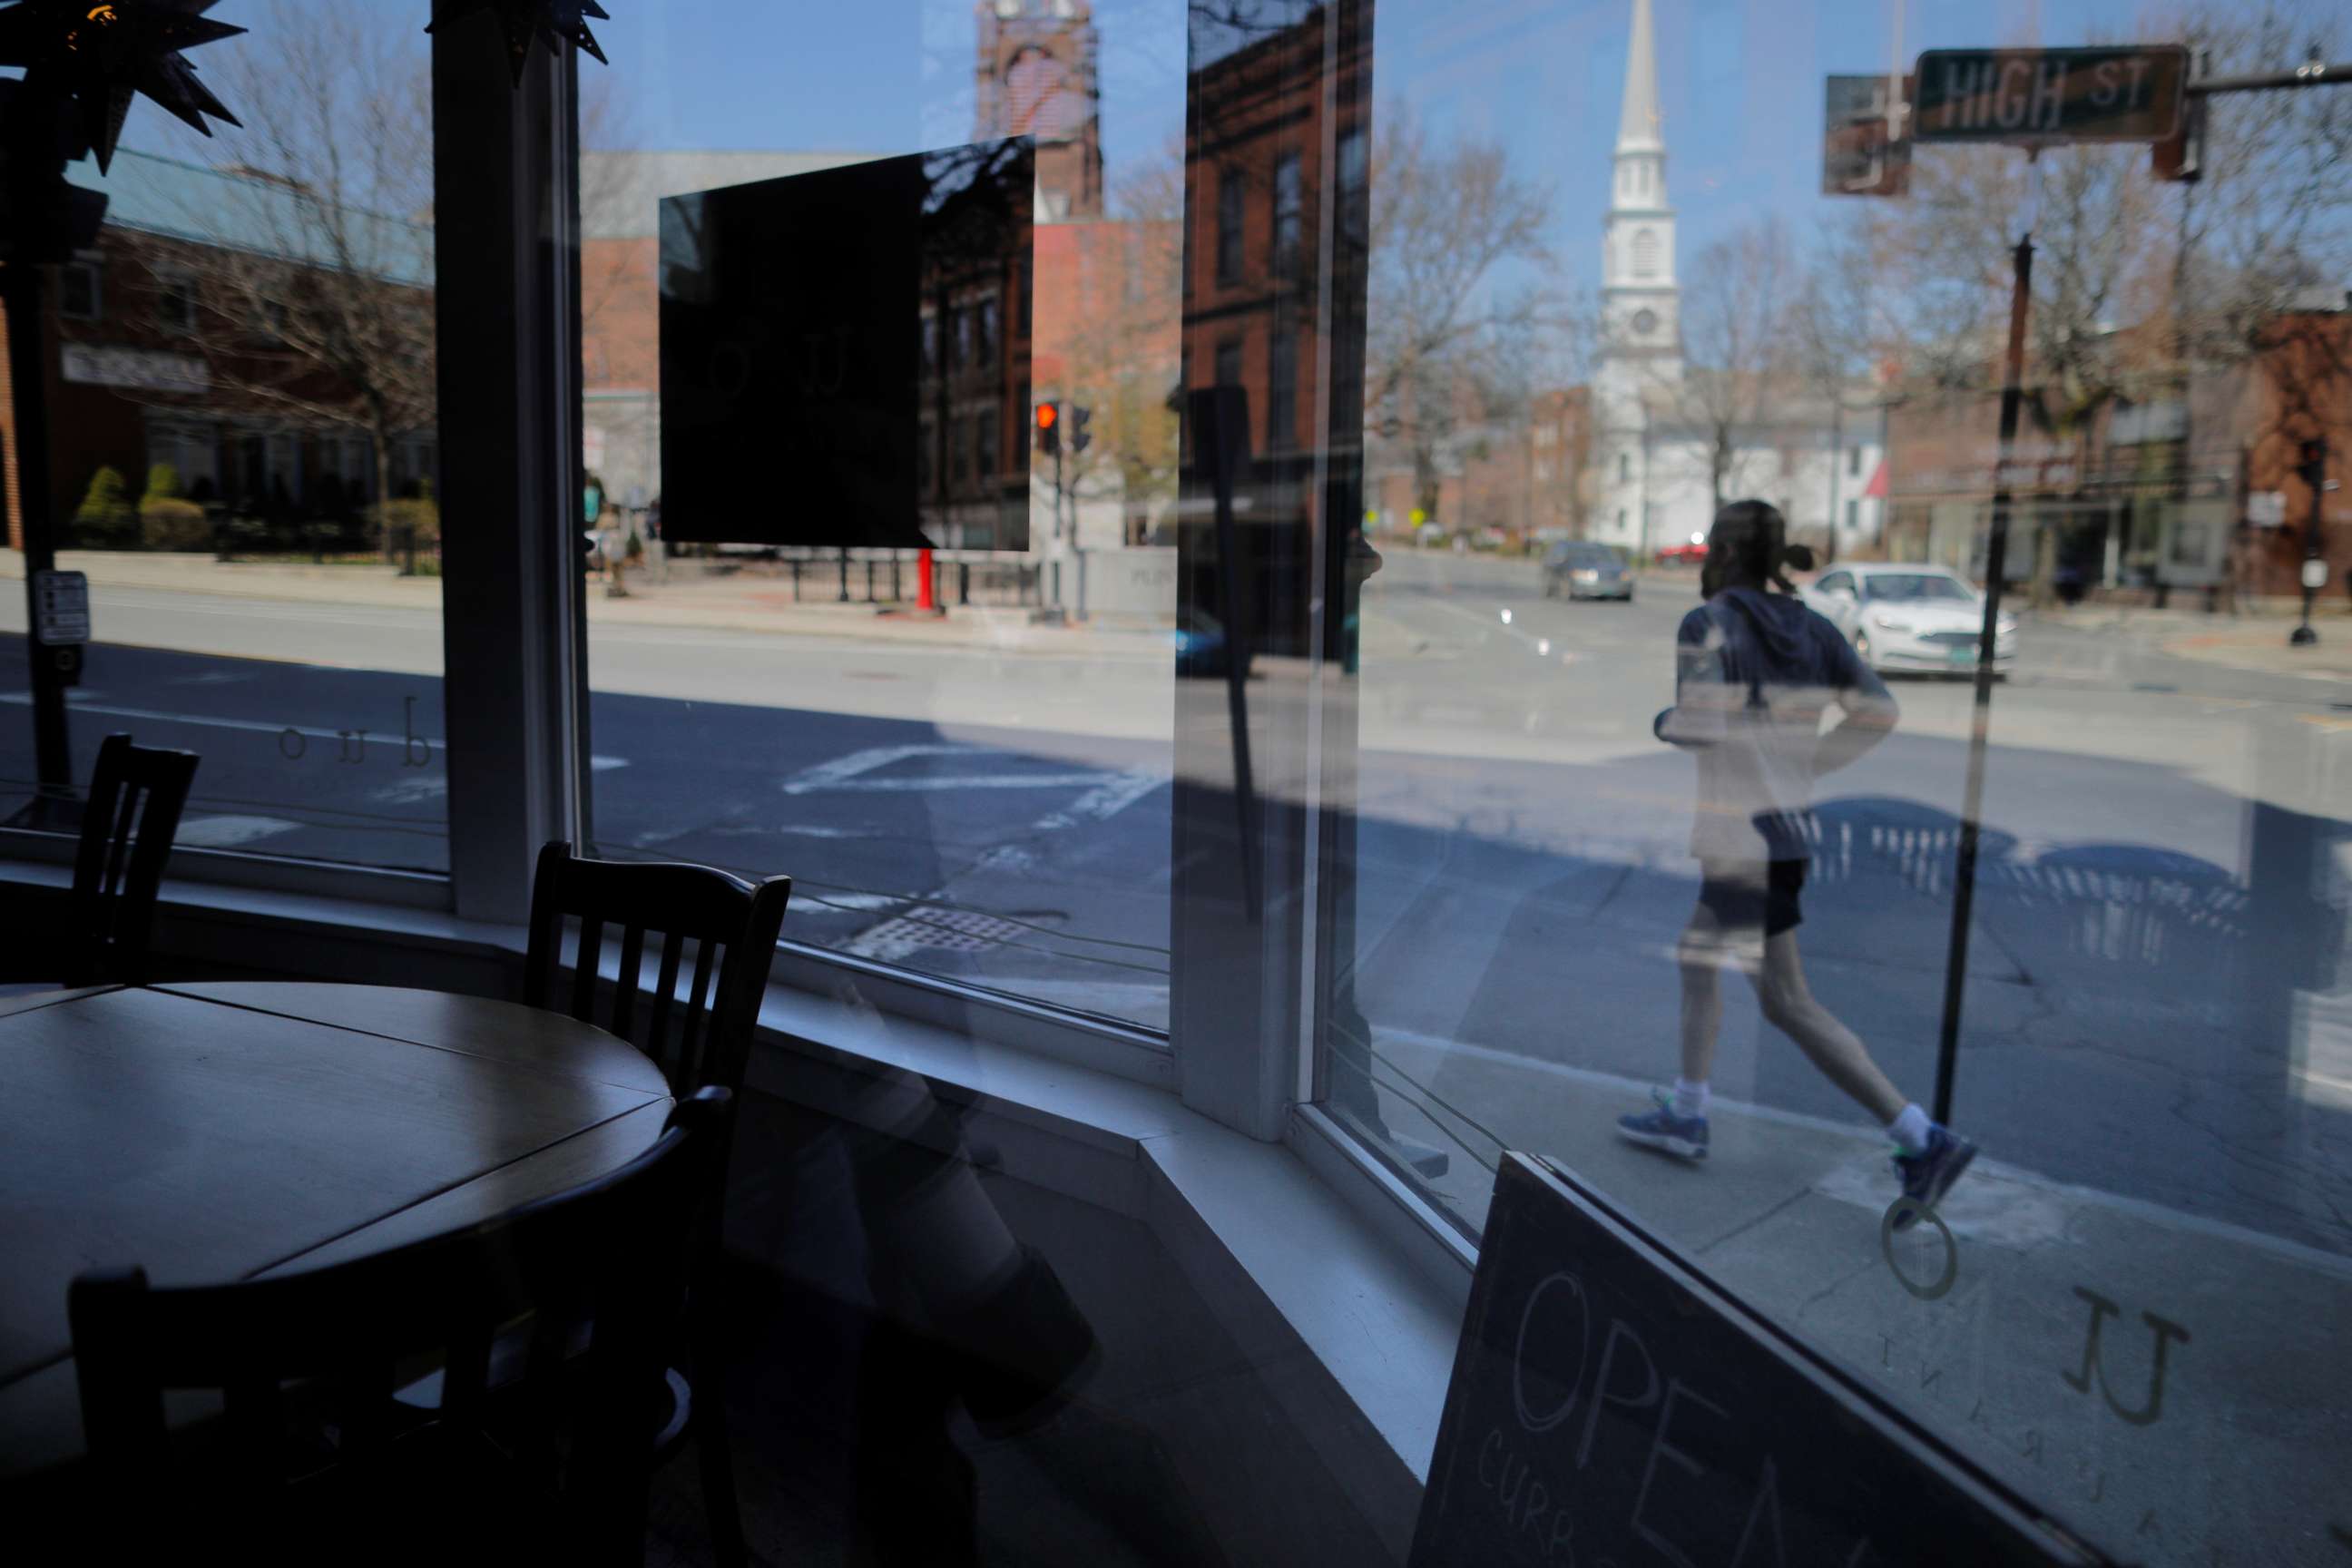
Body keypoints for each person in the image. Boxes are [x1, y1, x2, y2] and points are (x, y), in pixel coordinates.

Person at [1617, 499, 1975, 1225]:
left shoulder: (1709, 621)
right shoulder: (1814, 627)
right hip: (1778, 833)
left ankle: (1920, 1138)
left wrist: (1666, 721)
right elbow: (1878, 711)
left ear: (1720, 551)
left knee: (1786, 1002)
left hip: (1741, 837)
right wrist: (1813, 761)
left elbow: (1703, 721)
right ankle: (1688, 1110)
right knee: (1698, 959)